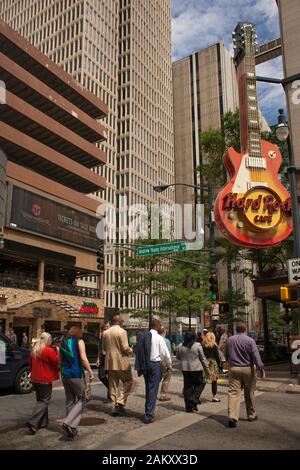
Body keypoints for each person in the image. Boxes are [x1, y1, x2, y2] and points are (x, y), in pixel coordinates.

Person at [225, 322, 265, 428]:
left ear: (236, 329)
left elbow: (226, 354)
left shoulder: (230, 340)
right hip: (248, 369)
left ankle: (232, 417)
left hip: (234, 368)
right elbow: (256, 356)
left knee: (233, 393)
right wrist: (261, 368)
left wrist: (229, 362)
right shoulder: (250, 341)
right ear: (245, 329)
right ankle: (251, 415)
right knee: (249, 392)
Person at [59, 325, 94, 438]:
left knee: (70, 400)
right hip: (76, 374)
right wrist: (90, 371)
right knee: (84, 398)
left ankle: (71, 429)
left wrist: (63, 372)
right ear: (79, 333)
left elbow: (60, 361)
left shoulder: (63, 343)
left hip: (65, 375)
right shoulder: (79, 341)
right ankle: (68, 422)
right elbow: (83, 358)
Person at [135, 318, 172, 424]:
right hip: (155, 365)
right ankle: (149, 415)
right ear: (157, 326)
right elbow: (165, 354)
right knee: (153, 389)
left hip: (145, 365)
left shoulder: (144, 336)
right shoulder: (159, 338)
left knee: (148, 388)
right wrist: (169, 366)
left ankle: (148, 410)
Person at [26, 332, 59, 434]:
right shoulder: (48, 350)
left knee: (40, 400)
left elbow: (30, 365)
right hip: (45, 379)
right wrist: (58, 352)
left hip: (35, 378)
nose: (51, 341)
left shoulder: (34, 350)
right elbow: (57, 361)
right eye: (50, 340)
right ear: (47, 340)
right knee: (44, 401)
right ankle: (33, 421)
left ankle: (42, 423)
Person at [102, 314, 133, 416]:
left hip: (110, 362)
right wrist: (131, 349)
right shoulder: (122, 332)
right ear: (120, 322)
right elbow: (125, 348)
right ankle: (120, 402)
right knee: (128, 381)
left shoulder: (105, 333)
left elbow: (104, 348)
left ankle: (114, 407)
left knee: (113, 385)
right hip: (121, 361)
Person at [176, 331, 209, 412]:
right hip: (197, 369)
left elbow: (178, 357)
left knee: (187, 387)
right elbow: (203, 358)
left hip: (185, 369)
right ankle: (193, 399)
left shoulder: (180, 346)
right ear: (194, 337)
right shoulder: (197, 345)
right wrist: (207, 370)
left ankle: (188, 407)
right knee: (200, 384)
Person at [202, 332, 222, 402]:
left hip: (205, 363)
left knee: (204, 380)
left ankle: (197, 396)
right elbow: (217, 356)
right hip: (212, 364)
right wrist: (220, 365)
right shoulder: (214, 346)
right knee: (214, 381)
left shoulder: (203, 345)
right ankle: (214, 396)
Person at [96, 321, 111, 403]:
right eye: (105, 327)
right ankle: (111, 388)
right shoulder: (102, 336)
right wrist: (98, 359)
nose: (106, 328)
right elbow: (100, 348)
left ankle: (110, 397)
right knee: (101, 376)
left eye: (107, 327)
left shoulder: (111, 335)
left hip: (110, 359)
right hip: (103, 358)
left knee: (111, 377)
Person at [158, 326, 172, 402]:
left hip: (156, 361)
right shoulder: (166, 341)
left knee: (157, 378)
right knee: (166, 377)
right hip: (164, 361)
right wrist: (169, 365)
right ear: (164, 332)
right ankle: (163, 394)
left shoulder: (155, 339)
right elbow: (168, 354)